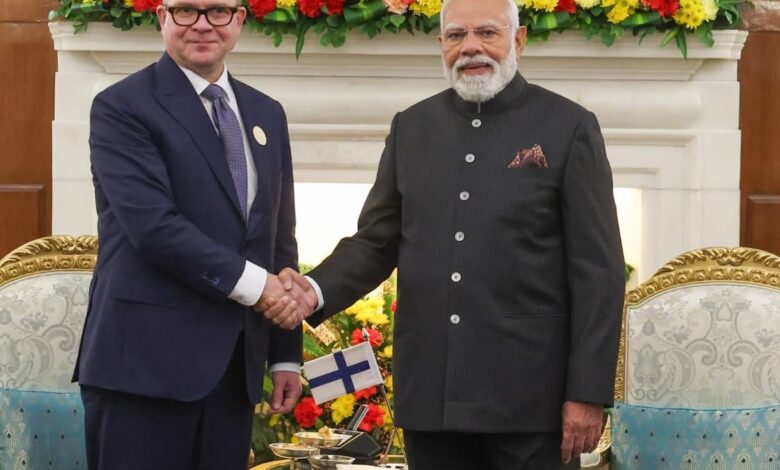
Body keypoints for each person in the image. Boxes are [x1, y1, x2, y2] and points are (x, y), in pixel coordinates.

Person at [263, 0, 625, 468]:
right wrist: (311, 290)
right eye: (456, 35)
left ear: (518, 40)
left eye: (487, 33)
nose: (471, 47)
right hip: (431, 397)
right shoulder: (412, 127)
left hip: (531, 401)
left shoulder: (568, 126)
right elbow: (375, 242)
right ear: (441, 45)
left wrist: (587, 392)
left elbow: (598, 271)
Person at [73, 0, 313, 468]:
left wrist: (285, 355)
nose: (202, 24)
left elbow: (278, 237)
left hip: (233, 373)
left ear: (239, 20)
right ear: (162, 17)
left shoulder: (267, 113)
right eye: (186, 10)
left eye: (218, 11)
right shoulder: (122, 106)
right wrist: (260, 287)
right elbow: (153, 228)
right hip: (142, 370)